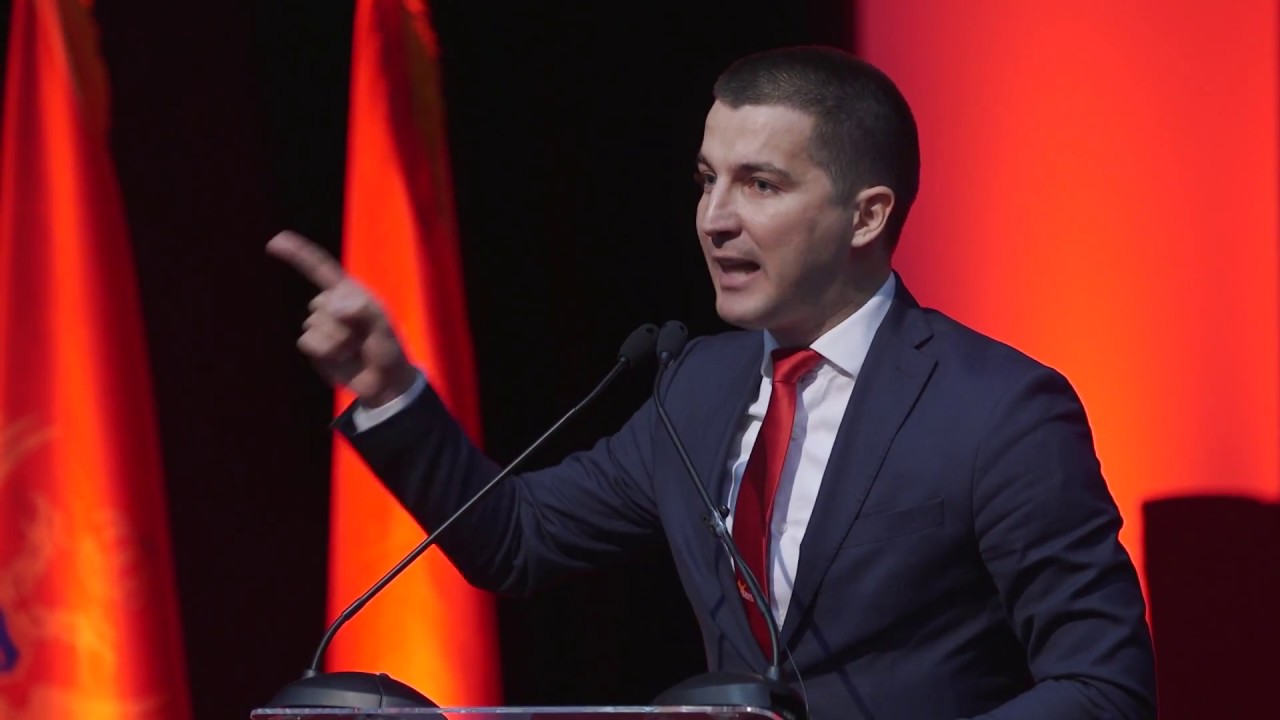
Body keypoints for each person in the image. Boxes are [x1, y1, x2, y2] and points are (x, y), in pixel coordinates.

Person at [267, 45, 1156, 720]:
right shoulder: (696, 388)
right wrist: (387, 389)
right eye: (707, 181)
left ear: (866, 216)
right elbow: (516, 538)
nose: (714, 219)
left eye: (760, 184)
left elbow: (1102, 686)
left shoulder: (999, 410)